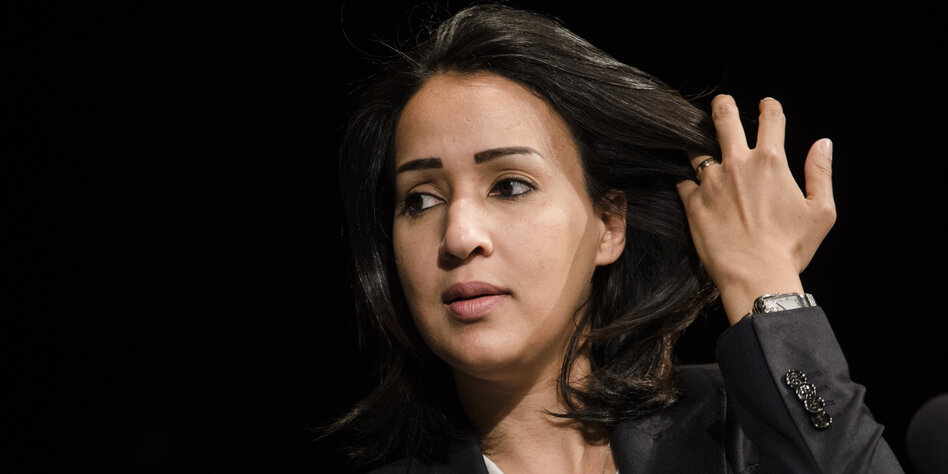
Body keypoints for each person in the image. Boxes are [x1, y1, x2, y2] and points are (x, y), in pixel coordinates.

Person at [327, 4, 903, 473]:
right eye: (420, 200)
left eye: (510, 186)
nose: (458, 236)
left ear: (609, 225)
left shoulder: (742, 427)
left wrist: (762, 280)